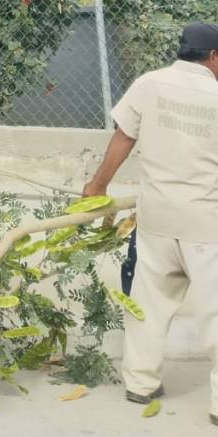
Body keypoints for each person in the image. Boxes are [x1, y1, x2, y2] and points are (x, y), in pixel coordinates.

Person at [82, 21, 218, 422]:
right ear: (214, 56)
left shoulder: (148, 84)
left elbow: (123, 137)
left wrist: (97, 185)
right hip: (206, 222)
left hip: (157, 216)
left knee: (148, 303)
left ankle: (140, 383)